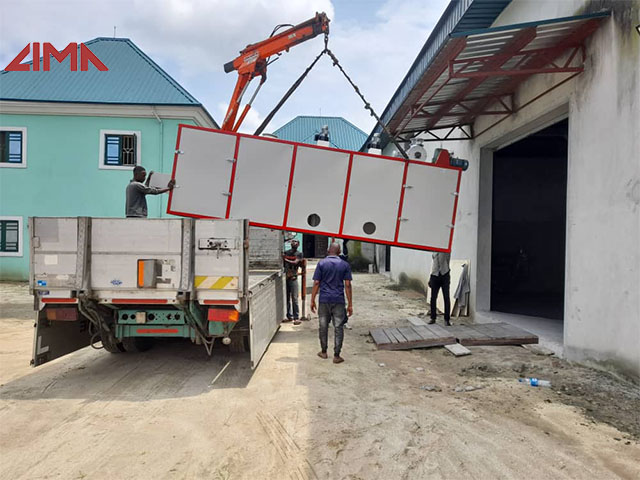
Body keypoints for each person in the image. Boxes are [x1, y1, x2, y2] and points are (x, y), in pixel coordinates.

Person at [311, 242, 353, 364]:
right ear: (339, 252)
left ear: (328, 250)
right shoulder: (344, 265)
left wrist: (312, 299)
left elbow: (317, 283)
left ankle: (323, 352)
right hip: (338, 300)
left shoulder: (321, 263)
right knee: (338, 327)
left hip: (324, 299)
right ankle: (336, 355)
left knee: (323, 326)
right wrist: (350, 304)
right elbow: (348, 284)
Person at [283, 239, 303, 325]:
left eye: (296, 242)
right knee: (287, 298)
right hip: (287, 278)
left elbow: (295, 262)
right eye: (293, 241)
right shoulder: (286, 252)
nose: (294, 243)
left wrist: (285, 259)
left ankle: (296, 317)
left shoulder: (299, 254)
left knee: (294, 299)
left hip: (293, 278)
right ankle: (289, 316)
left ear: (298, 244)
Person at [428, 251, 451, 326]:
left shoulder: (446, 250)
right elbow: (433, 264)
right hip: (435, 275)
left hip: (444, 274)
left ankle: (447, 319)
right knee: (433, 298)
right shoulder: (434, 251)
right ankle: (433, 318)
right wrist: (430, 278)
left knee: (446, 297)